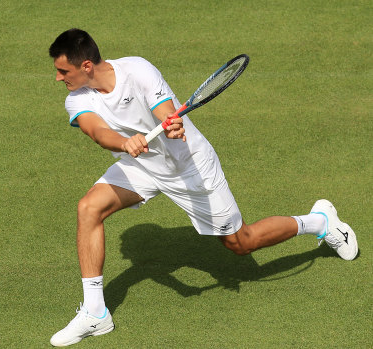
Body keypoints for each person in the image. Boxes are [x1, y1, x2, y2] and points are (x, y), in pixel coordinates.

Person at [47, 28, 358, 347]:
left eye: (63, 71)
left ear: (85, 66)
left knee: (241, 243)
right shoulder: (77, 99)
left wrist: (172, 125)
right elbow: (97, 131)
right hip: (142, 166)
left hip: (191, 170)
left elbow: (165, 111)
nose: (58, 78)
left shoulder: (137, 69)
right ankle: (96, 313)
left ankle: (320, 221)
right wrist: (124, 142)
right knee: (88, 208)